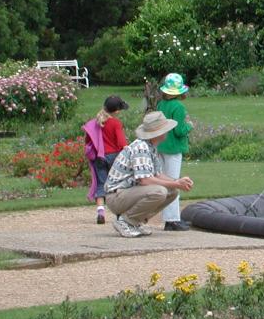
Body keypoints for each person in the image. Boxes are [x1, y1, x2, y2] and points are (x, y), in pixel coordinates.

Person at [104, 111, 195, 238]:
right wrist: (176, 183)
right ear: (159, 132)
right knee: (159, 192)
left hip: (126, 194)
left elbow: (157, 175)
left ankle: (135, 222)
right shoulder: (141, 147)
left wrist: (178, 182)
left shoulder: (150, 147)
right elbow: (145, 180)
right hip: (116, 197)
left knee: (172, 191)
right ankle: (126, 221)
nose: (167, 132)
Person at [82, 95, 130, 225]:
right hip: (114, 157)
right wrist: (129, 151)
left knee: (101, 184)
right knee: (117, 185)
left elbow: (88, 140)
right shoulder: (116, 123)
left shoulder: (96, 122)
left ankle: (100, 212)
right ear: (117, 111)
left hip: (99, 157)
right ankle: (119, 214)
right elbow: (121, 142)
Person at [156, 72, 194, 231]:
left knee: (165, 182)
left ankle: (170, 218)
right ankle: (171, 220)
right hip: (173, 148)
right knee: (174, 182)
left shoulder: (161, 105)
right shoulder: (178, 106)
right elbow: (179, 130)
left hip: (161, 146)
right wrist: (189, 126)